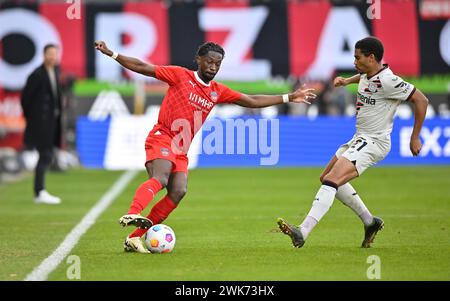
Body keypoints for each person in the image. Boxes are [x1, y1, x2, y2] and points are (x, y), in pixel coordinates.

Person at [94, 40, 316, 253]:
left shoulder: (217, 91)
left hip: (181, 150)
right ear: (198, 60)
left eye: (218, 64)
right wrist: (112, 54)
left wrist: (288, 97)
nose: (213, 67)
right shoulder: (180, 75)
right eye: (209, 61)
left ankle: (133, 238)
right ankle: (132, 213)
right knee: (161, 179)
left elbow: (251, 100)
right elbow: (143, 67)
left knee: (178, 191)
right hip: (163, 136)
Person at [277, 37, 429, 248]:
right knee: (326, 178)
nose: (354, 61)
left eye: (357, 57)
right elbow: (364, 79)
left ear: (371, 57)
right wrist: (347, 81)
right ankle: (370, 222)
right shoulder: (369, 74)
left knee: (332, 182)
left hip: (374, 141)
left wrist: (415, 137)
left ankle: (302, 231)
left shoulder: (389, 80)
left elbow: (421, 100)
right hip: (359, 137)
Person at [21, 44, 63, 205]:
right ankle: (39, 191)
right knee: (45, 155)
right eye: (50, 54)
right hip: (41, 124)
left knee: (47, 155)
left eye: (55, 53)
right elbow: (25, 99)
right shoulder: (37, 74)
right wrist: (33, 119)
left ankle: (40, 191)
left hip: (52, 122)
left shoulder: (56, 71)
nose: (53, 57)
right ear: (44, 55)